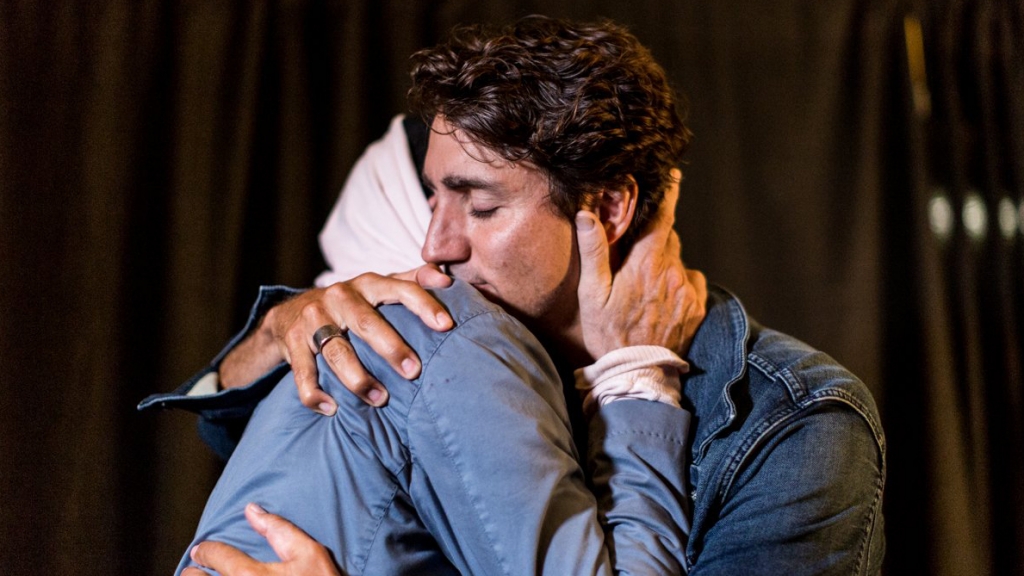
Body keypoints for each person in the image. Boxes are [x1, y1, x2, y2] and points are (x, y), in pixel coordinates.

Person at [148, 15, 886, 575]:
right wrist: (281, 329)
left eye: (481, 207)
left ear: (607, 208)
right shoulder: (448, 341)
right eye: (435, 197)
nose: (436, 244)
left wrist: (636, 378)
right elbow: (229, 430)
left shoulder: (798, 426)